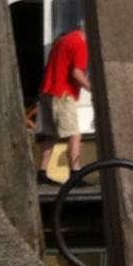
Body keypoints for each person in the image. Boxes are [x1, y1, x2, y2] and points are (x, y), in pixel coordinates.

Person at [37, 21, 91, 180]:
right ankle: (76, 174)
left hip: (47, 92)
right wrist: (93, 88)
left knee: (51, 135)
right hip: (62, 94)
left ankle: (41, 173)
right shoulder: (80, 43)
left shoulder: (65, 39)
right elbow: (77, 73)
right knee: (74, 134)